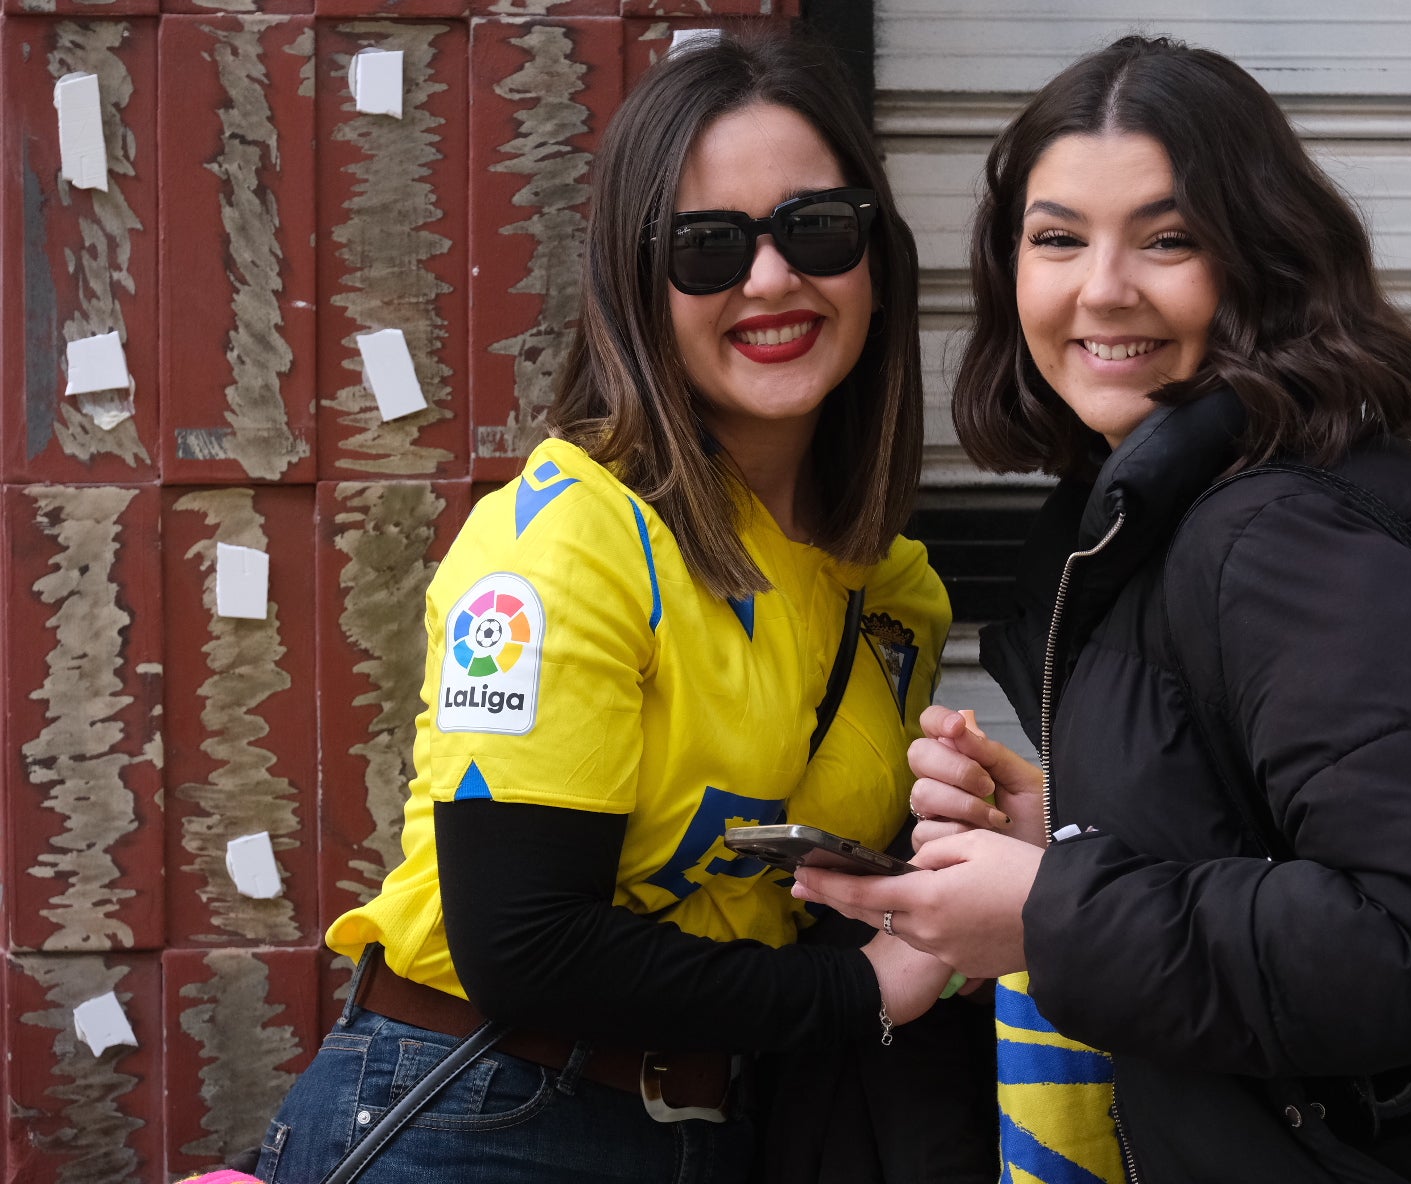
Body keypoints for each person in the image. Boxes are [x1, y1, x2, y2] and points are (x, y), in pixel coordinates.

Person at [793, 35, 1411, 1184]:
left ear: (1259, 261)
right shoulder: (1156, 515)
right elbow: (1289, 843)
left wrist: (1054, 911)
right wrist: (1067, 834)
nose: (1104, 287)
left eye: (1168, 239)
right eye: (1058, 238)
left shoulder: (1281, 533)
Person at [257, 34, 986, 1184]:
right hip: (478, 1117)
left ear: (875, 258)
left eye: (817, 229)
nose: (769, 280)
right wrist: (862, 985)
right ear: (637, 287)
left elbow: (799, 891)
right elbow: (525, 944)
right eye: (706, 248)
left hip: (713, 1127)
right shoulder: (566, 538)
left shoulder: (892, 588)